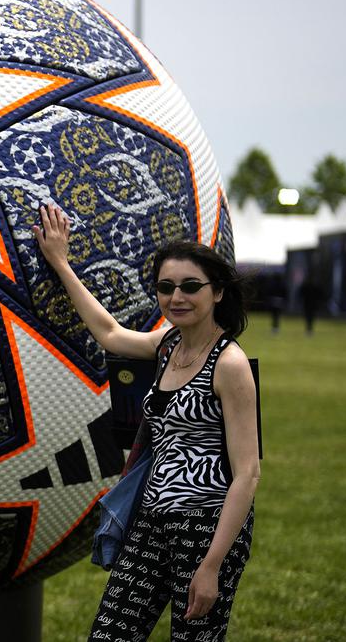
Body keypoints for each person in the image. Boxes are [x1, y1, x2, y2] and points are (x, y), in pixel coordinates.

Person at [35, 205, 260, 641]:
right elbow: (111, 334)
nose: (177, 297)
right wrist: (61, 262)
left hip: (204, 528)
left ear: (217, 293)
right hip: (151, 519)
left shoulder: (229, 364)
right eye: (166, 287)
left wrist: (212, 565)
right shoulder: (169, 342)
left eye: (191, 286)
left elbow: (248, 473)